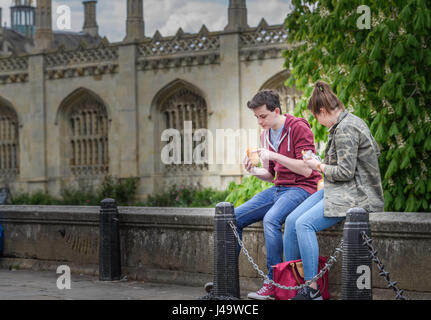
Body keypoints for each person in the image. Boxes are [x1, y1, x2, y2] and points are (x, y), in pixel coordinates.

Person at [283, 81, 384, 300]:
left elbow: (346, 172)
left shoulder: (346, 128)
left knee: (304, 224)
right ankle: (292, 285)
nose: (318, 123)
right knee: (291, 221)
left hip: (356, 194)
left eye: (317, 117)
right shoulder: (345, 123)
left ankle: (312, 290)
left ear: (322, 111)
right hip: (341, 188)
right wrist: (319, 162)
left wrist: (317, 166)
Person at [237, 90, 322, 300]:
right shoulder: (265, 134)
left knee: (271, 219)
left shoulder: (298, 127)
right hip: (279, 189)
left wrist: (274, 154)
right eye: (256, 117)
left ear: (276, 111)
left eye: (263, 116)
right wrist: (253, 171)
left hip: (303, 189)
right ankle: (226, 278)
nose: (259, 121)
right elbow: (271, 174)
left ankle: (272, 282)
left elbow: (307, 170)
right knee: (233, 217)